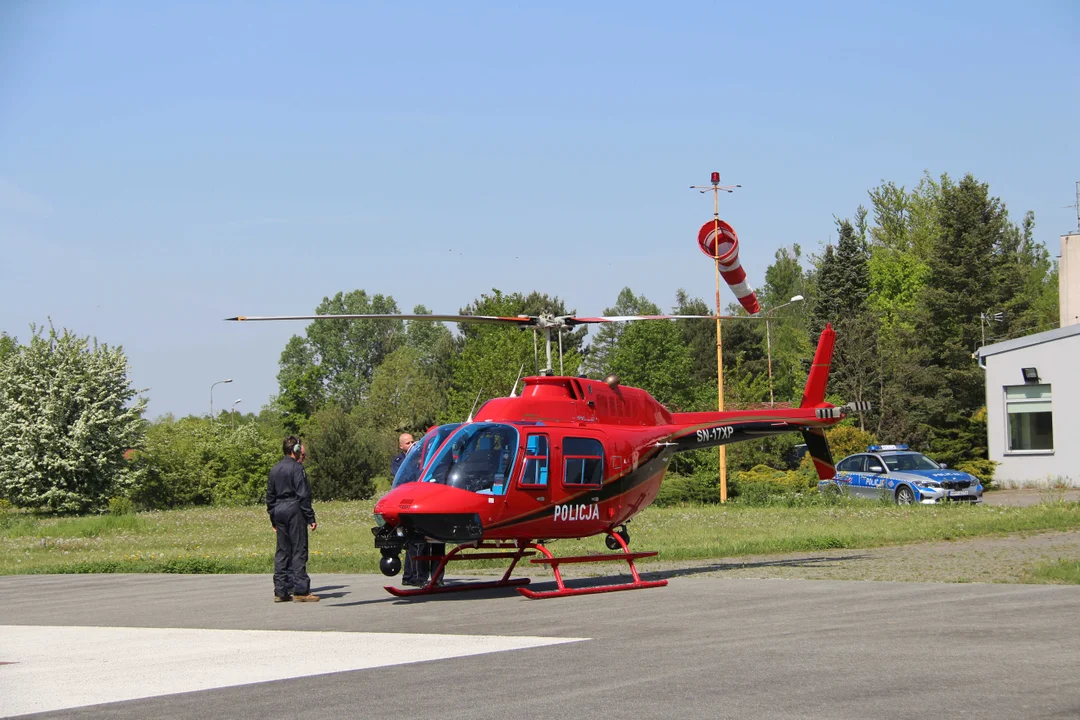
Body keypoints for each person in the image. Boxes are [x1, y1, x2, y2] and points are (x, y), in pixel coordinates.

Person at [267, 436, 319, 602]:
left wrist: (273, 518)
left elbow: (270, 496)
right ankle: (301, 590)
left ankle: (280, 590)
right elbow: (303, 494)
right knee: (298, 549)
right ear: (295, 450)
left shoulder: (275, 469)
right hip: (294, 509)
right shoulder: (297, 469)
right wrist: (310, 516)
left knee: (282, 550)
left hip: (279, 510)